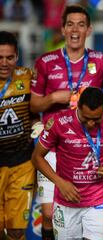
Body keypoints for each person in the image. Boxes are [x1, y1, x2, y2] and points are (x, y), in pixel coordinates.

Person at [30, 4, 103, 239]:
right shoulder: (46, 62)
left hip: (88, 148)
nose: (75, 29)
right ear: (63, 29)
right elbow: (34, 105)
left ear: (89, 29)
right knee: (48, 213)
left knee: (84, 211)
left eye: (81, 24)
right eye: (70, 24)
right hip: (54, 146)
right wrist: (54, 98)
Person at [31, 87, 103, 240]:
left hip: (100, 200)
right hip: (67, 202)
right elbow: (37, 157)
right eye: (86, 118)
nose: (91, 124)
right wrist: (60, 183)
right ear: (77, 107)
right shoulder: (59, 122)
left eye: (96, 119)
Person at [0, 31, 36, 240]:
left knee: (16, 231)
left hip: (22, 162)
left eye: (9, 57)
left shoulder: (27, 76)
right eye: (0, 57)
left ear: (17, 57)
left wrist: (36, 122)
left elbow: (36, 110)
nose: (4, 63)